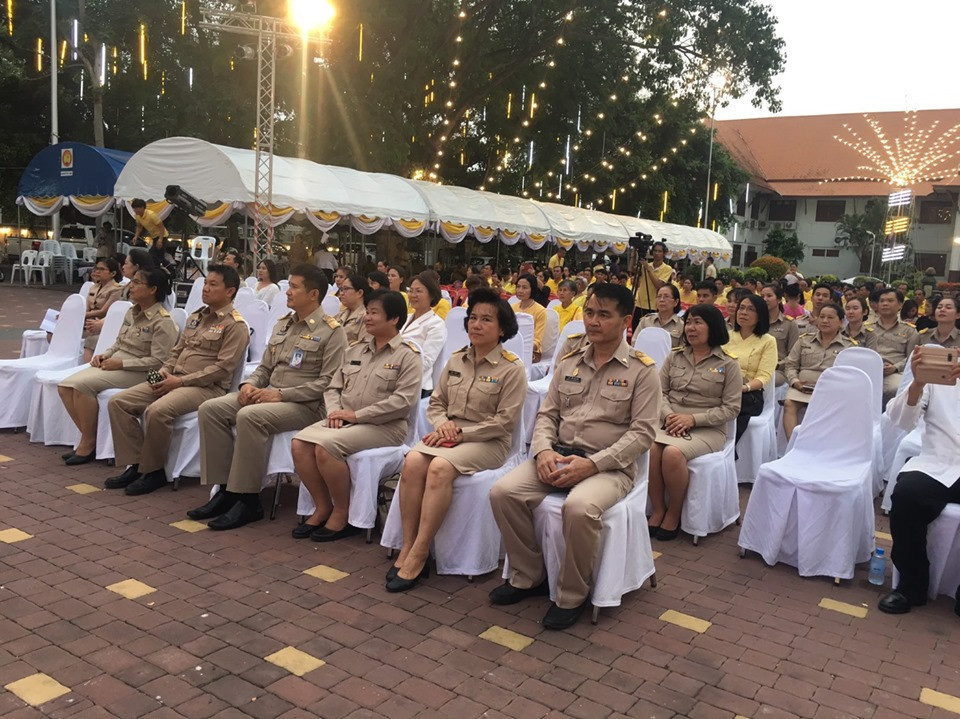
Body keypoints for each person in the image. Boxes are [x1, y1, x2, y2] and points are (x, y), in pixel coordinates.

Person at [489, 284, 660, 630]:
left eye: (604, 315)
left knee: (579, 508)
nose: (593, 321)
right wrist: (543, 451)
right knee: (503, 492)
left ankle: (571, 595)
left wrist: (592, 464)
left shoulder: (643, 371)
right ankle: (528, 575)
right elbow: (546, 416)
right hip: (559, 455)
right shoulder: (569, 361)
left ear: (626, 321)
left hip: (608, 467)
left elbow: (642, 435)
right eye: (590, 313)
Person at [386, 288, 527, 592]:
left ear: (502, 329)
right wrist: (443, 424)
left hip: (489, 442)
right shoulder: (456, 360)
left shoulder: (512, 368)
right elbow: (436, 404)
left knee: (438, 467)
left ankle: (421, 552)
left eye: (487, 320)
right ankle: (408, 545)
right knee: (411, 461)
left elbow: (505, 422)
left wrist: (461, 433)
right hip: (450, 434)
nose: (476, 324)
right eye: (473, 317)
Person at [188, 265, 347, 530]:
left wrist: (280, 394)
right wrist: (250, 385)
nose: (288, 291)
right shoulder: (284, 324)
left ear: (313, 294)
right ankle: (226, 490)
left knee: (249, 417)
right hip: (269, 394)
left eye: (295, 287)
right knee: (211, 409)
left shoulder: (332, 331)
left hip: (305, 405)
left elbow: (327, 384)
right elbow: (265, 367)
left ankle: (248, 500)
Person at [105, 265, 250, 495]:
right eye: (206, 283)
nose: (206, 288)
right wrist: (163, 372)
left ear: (230, 291)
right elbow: (176, 351)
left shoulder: (236, 326)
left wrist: (180, 382)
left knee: (157, 410)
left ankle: (154, 472)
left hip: (205, 387)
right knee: (118, 402)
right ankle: (136, 464)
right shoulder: (196, 317)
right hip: (173, 377)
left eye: (214, 284)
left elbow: (222, 369)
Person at [291, 290, 422, 540]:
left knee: (325, 448)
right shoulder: (355, 350)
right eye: (367, 312)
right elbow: (333, 387)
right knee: (299, 443)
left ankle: (342, 511)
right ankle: (323, 506)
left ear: (394, 319)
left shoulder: (408, 355)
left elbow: (402, 402)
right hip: (345, 419)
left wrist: (356, 415)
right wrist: (335, 413)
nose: (367, 318)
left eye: (374, 313)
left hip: (385, 427)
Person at [58, 269, 179, 466]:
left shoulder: (163, 321)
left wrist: (120, 363)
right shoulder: (132, 312)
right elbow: (119, 342)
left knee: (81, 386)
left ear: (153, 289)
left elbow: (159, 361)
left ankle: (88, 443)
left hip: (143, 373)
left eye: (138, 283)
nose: (131, 286)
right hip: (118, 364)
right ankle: (89, 437)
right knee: (64, 386)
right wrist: (106, 354)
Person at [647, 304, 742, 540]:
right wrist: (669, 415)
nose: (691, 327)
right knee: (649, 448)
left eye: (698, 322)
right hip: (670, 421)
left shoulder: (729, 364)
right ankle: (658, 508)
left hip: (707, 429)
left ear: (714, 327)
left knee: (672, 453)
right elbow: (660, 393)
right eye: (688, 322)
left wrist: (692, 419)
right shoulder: (675, 356)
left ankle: (675, 512)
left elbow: (731, 408)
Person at [879, 347, 960, 617]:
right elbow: (901, 420)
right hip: (938, 462)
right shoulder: (942, 371)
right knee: (905, 496)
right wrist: (918, 382)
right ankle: (911, 586)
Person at [781, 303, 855, 439]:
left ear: (841, 322)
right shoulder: (804, 340)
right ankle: (793, 447)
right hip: (801, 387)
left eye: (830, 317)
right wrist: (795, 381)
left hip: (831, 390)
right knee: (789, 404)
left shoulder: (849, 345)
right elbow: (790, 365)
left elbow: (849, 375)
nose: (825, 321)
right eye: (822, 317)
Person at [724, 293, 776, 444]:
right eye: (741, 308)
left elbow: (764, 377)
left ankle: (727, 446)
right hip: (722, 386)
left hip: (749, 394)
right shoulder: (726, 337)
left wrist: (744, 388)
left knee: (730, 404)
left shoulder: (768, 341)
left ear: (760, 315)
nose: (743, 313)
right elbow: (716, 367)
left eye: (750, 309)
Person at [402, 272, 448, 397]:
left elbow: (426, 362)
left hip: (416, 385)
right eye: (411, 291)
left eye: (418, 291)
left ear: (432, 295)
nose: (413, 295)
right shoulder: (405, 318)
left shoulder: (436, 324)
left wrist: (397, 369)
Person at [872, 288, 919, 407]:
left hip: (894, 372)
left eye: (890, 300)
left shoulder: (909, 330)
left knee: (895, 388)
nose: (885, 304)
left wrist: (895, 367)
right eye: (882, 301)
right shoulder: (867, 328)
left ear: (900, 305)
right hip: (869, 371)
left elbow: (911, 357)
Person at [81, 258, 124, 363]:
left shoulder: (116, 289)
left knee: (90, 340)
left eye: (102, 269)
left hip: (101, 322)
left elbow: (103, 311)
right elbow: (87, 308)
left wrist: (81, 316)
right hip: (88, 320)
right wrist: (79, 317)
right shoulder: (94, 287)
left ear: (112, 273)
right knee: (53, 328)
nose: (97, 271)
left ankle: (83, 367)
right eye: (96, 268)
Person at [760, 283, 799, 387]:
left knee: (767, 381)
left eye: (769, 296)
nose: (765, 299)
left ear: (778, 299)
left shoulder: (789, 324)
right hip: (755, 366)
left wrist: (777, 365)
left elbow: (793, 355)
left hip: (777, 370)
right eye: (762, 296)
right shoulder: (755, 322)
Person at [630, 241, 673, 328]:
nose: (657, 253)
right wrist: (634, 252)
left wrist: (648, 269)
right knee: (636, 331)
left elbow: (658, 285)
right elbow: (631, 269)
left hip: (654, 306)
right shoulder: (646, 265)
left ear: (664, 253)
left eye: (659, 251)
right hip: (640, 304)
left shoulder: (667, 268)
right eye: (655, 251)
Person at [513, 273, 546, 363]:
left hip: (532, 352)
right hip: (511, 349)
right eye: (518, 286)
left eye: (524, 287)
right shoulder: (512, 308)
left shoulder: (540, 310)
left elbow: (537, 341)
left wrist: (519, 346)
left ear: (532, 289)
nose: (520, 290)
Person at [336, 272, 370, 345]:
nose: (341, 293)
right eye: (341, 289)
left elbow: (363, 346)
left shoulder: (367, 317)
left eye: (345, 289)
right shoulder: (340, 314)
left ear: (360, 293)